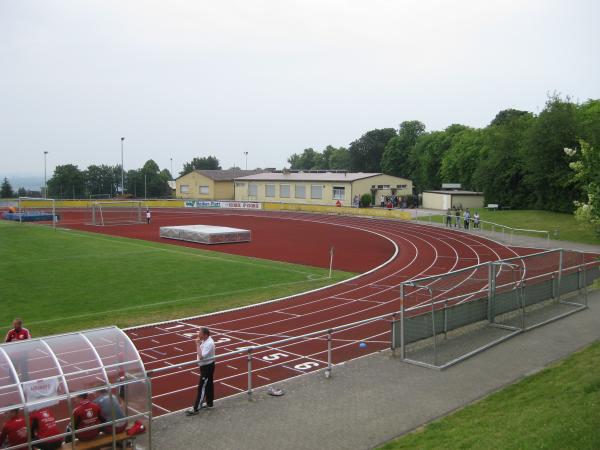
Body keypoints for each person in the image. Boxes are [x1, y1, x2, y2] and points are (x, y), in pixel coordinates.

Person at [186, 327, 215, 416]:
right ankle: (209, 403)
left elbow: (202, 356)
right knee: (209, 385)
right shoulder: (206, 340)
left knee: (201, 387)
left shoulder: (209, 343)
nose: (198, 334)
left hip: (207, 367)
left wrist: (197, 345)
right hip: (206, 366)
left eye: (200, 333)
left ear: (205, 335)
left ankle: (196, 408)